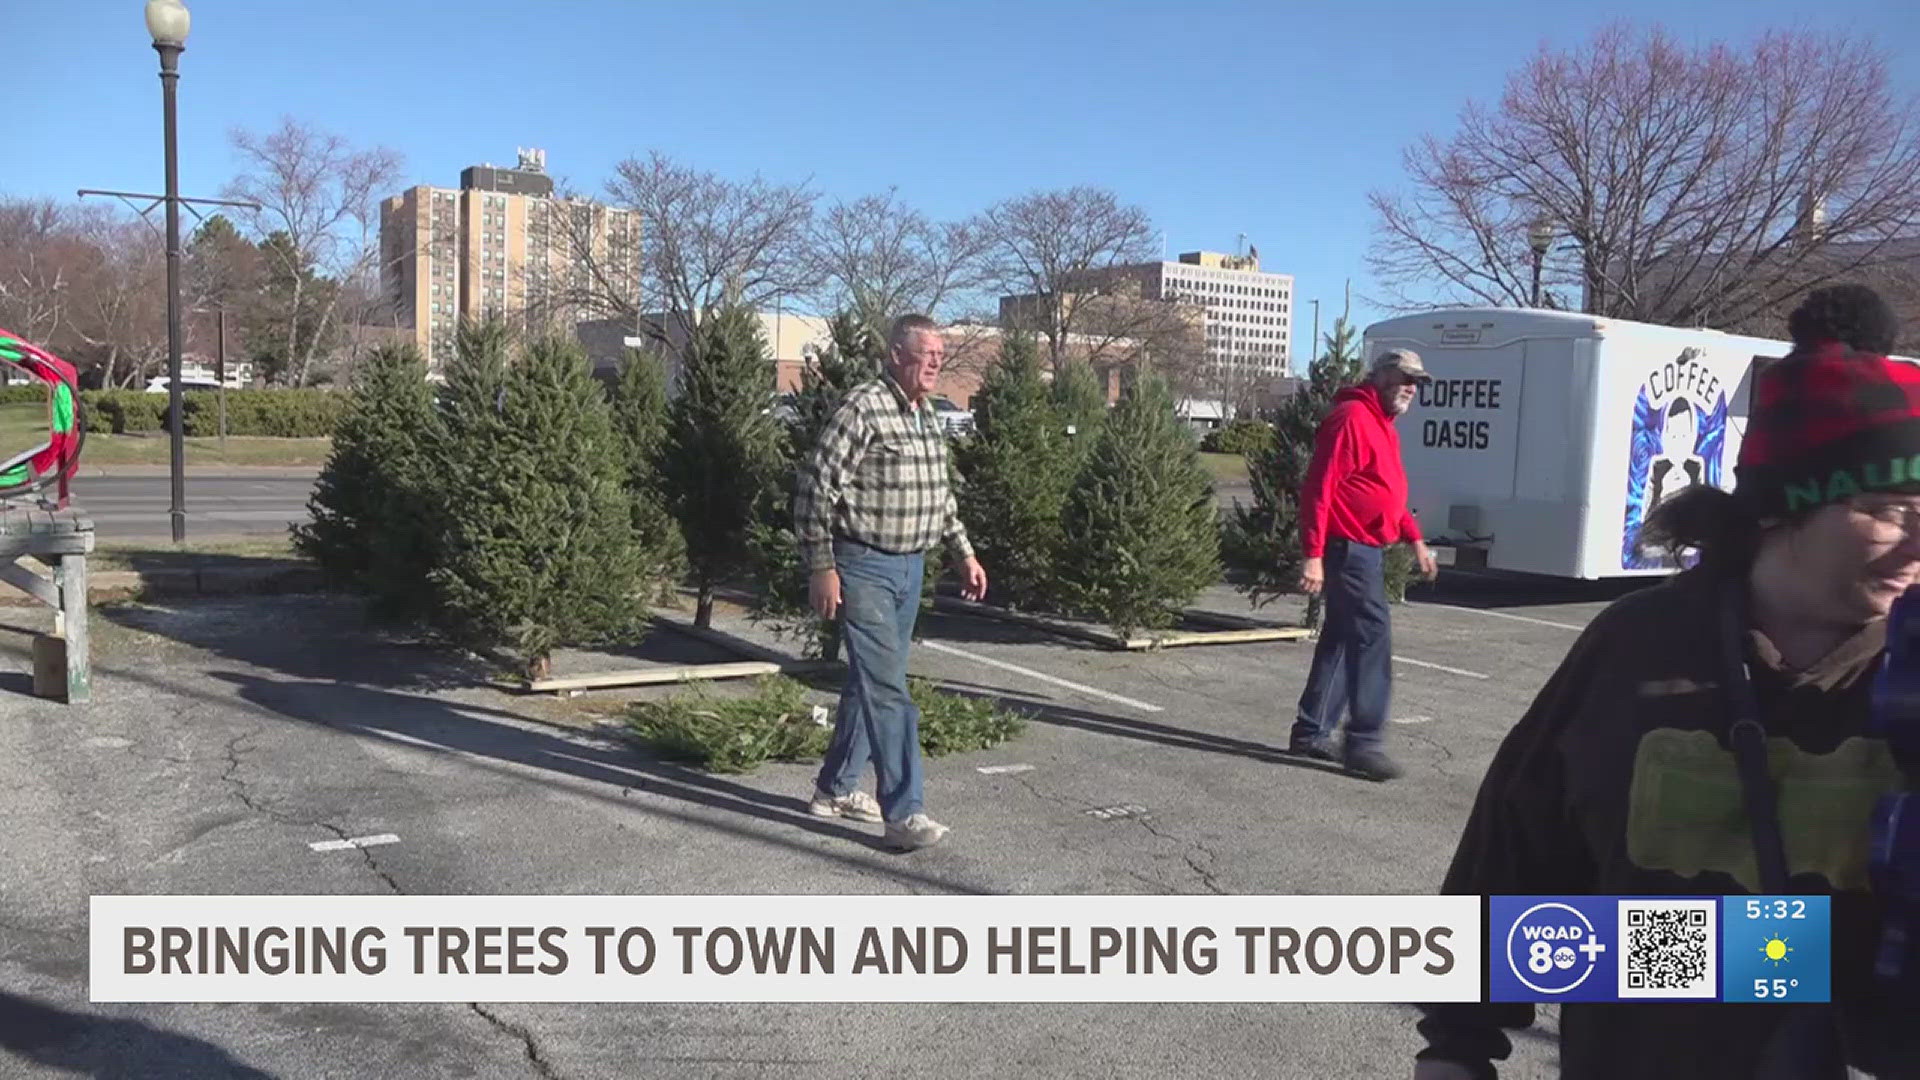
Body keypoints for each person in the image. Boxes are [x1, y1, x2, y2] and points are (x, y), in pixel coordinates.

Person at [1412, 283, 1920, 1079]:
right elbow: (1514, 845)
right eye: (1892, 508)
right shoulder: (1639, 644)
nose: (1915, 542)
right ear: (1785, 506)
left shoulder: (1912, 671)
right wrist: (1456, 1043)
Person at [793, 313, 989, 852]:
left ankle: (834, 789)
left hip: (911, 567)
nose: (935, 363)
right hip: (864, 565)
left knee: (871, 680)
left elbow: (939, 496)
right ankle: (905, 812)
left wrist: (964, 553)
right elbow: (814, 489)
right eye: (927, 354)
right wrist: (822, 567)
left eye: (940, 356)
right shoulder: (863, 407)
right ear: (897, 354)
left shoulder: (926, 417)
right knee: (889, 691)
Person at [1290, 348, 1440, 781]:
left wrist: (1415, 541)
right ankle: (1364, 741)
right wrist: (1313, 554)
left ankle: (1311, 731)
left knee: (1341, 636)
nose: (1412, 387)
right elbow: (1319, 488)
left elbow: (1386, 494)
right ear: (1379, 376)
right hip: (1345, 548)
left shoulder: (1383, 428)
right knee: (1372, 634)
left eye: (1418, 382)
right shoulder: (1352, 418)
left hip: (1365, 550)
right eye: (1405, 377)